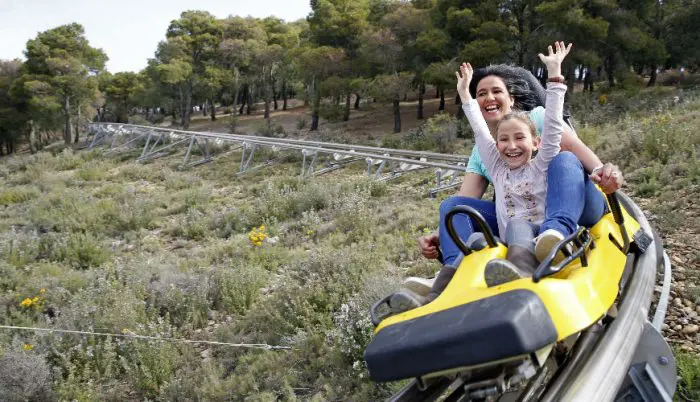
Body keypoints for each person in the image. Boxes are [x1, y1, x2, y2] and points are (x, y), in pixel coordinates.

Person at [391, 46, 624, 311]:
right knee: (463, 210)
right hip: (520, 221)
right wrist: (443, 233)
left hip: (574, 198)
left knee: (564, 157)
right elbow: (465, 199)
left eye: (496, 91)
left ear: (511, 99)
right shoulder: (488, 154)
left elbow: (569, 143)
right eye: (481, 94)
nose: (489, 97)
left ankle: (557, 235)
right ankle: (455, 273)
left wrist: (602, 170)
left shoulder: (537, 121)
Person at [459, 41, 575, 285]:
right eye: (504, 140)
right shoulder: (498, 171)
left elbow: (554, 123)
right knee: (486, 238)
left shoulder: (542, 163)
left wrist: (554, 75)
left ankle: (523, 272)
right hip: (512, 239)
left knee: (517, 226)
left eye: (519, 138)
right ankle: (448, 281)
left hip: (545, 234)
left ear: (536, 143)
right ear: (496, 146)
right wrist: (465, 95)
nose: (511, 146)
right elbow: (481, 132)